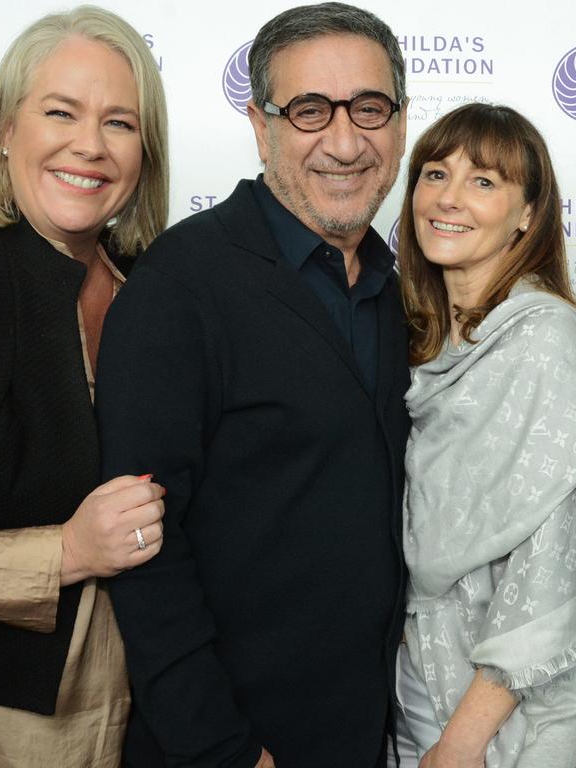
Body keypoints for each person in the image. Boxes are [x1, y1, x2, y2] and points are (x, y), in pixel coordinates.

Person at [94, 3, 410, 767]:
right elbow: (145, 558)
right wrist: (225, 751)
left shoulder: (407, 291)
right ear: (260, 124)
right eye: (308, 111)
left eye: (369, 108)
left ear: (400, 125)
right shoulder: (180, 285)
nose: (344, 141)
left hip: (375, 738)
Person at [393, 103, 576, 768]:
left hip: (508, 710)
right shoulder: (418, 342)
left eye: (483, 182)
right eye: (435, 173)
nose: (448, 198)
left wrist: (463, 741)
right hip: (416, 673)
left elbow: (551, 569)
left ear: (527, 214)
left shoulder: (546, 343)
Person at [0, 6, 169, 767]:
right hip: (3, 728)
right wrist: (66, 553)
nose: (89, 145)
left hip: (154, 720)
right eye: (61, 112)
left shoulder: (155, 297)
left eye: (119, 123)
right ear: (5, 129)